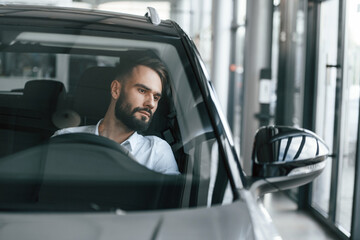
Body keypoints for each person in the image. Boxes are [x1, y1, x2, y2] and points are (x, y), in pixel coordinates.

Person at [53, 55, 179, 175]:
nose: (151, 103)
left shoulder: (156, 151)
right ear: (115, 90)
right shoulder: (66, 139)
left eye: (156, 97)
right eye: (142, 91)